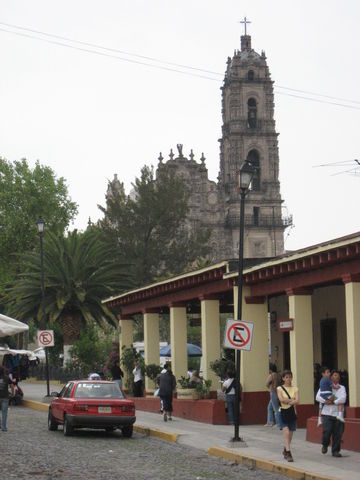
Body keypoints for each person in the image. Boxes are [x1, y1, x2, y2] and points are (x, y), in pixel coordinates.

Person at [316, 370, 346, 458]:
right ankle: (325, 444)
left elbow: (343, 399)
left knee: (338, 433)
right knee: (326, 431)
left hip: (338, 414)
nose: (336, 377)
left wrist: (334, 402)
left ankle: (336, 451)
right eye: (335, 375)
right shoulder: (325, 385)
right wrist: (326, 401)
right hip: (327, 413)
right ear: (331, 377)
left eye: (338, 376)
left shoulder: (342, 387)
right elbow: (318, 397)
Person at [277, 370, 299, 462]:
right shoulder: (279, 388)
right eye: (286, 377)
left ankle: (285, 449)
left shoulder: (295, 389)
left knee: (290, 434)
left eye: (290, 377)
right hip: (282, 412)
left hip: (292, 412)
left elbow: (297, 400)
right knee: (286, 431)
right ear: (283, 378)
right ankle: (289, 453)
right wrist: (291, 400)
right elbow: (281, 399)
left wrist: (288, 400)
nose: (288, 379)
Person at [0, 366, 10, 432]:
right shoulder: (7, 377)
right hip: (5, 397)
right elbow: (12, 385)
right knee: (4, 413)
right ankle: (3, 427)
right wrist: (12, 393)